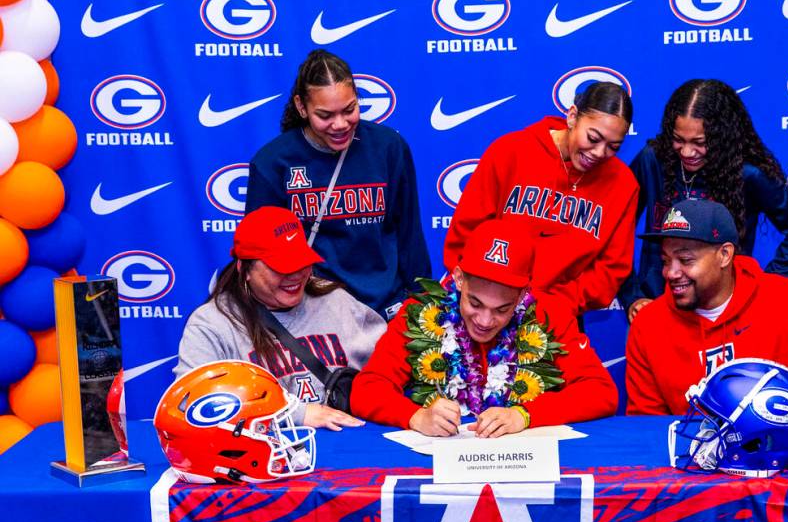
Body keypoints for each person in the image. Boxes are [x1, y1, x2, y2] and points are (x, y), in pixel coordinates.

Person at [353, 219, 618, 436]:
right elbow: (367, 389)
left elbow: (600, 391)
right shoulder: (419, 312)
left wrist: (525, 415)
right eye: (475, 303)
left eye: (502, 309)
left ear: (523, 294)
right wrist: (415, 416)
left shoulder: (549, 315)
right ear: (458, 278)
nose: (484, 320)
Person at [626, 199, 788, 416]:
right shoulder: (649, 324)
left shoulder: (783, 299)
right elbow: (646, 425)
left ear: (724, 255)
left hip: (780, 461)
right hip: (691, 463)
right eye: (665, 260)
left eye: (685, 260)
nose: (671, 273)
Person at [245, 49, 431, 321]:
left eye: (349, 109)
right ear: (301, 107)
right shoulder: (272, 162)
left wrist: (422, 306)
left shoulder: (389, 148)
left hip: (384, 310)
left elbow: (409, 236)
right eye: (325, 115)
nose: (341, 124)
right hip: (313, 313)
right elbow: (260, 253)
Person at [620, 78, 788, 321]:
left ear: (721, 137)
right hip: (659, 308)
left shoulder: (748, 174)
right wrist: (632, 296)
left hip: (726, 312)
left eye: (700, 143)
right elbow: (614, 228)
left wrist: (765, 288)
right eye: (678, 139)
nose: (686, 152)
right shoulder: (652, 160)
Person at [176, 206, 386, 430]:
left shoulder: (336, 301)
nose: (295, 275)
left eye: (301, 262)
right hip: (263, 454)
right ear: (244, 268)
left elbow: (390, 367)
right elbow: (192, 403)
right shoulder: (212, 323)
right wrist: (297, 414)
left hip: (348, 448)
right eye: (281, 267)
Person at [442, 82, 637, 318]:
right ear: (573, 116)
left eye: (613, 147)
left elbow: (611, 269)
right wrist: (487, 298)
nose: (599, 152)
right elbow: (464, 235)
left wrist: (557, 304)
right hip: (489, 311)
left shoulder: (623, 184)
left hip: (557, 317)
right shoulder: (509, 152)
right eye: (593, 138)